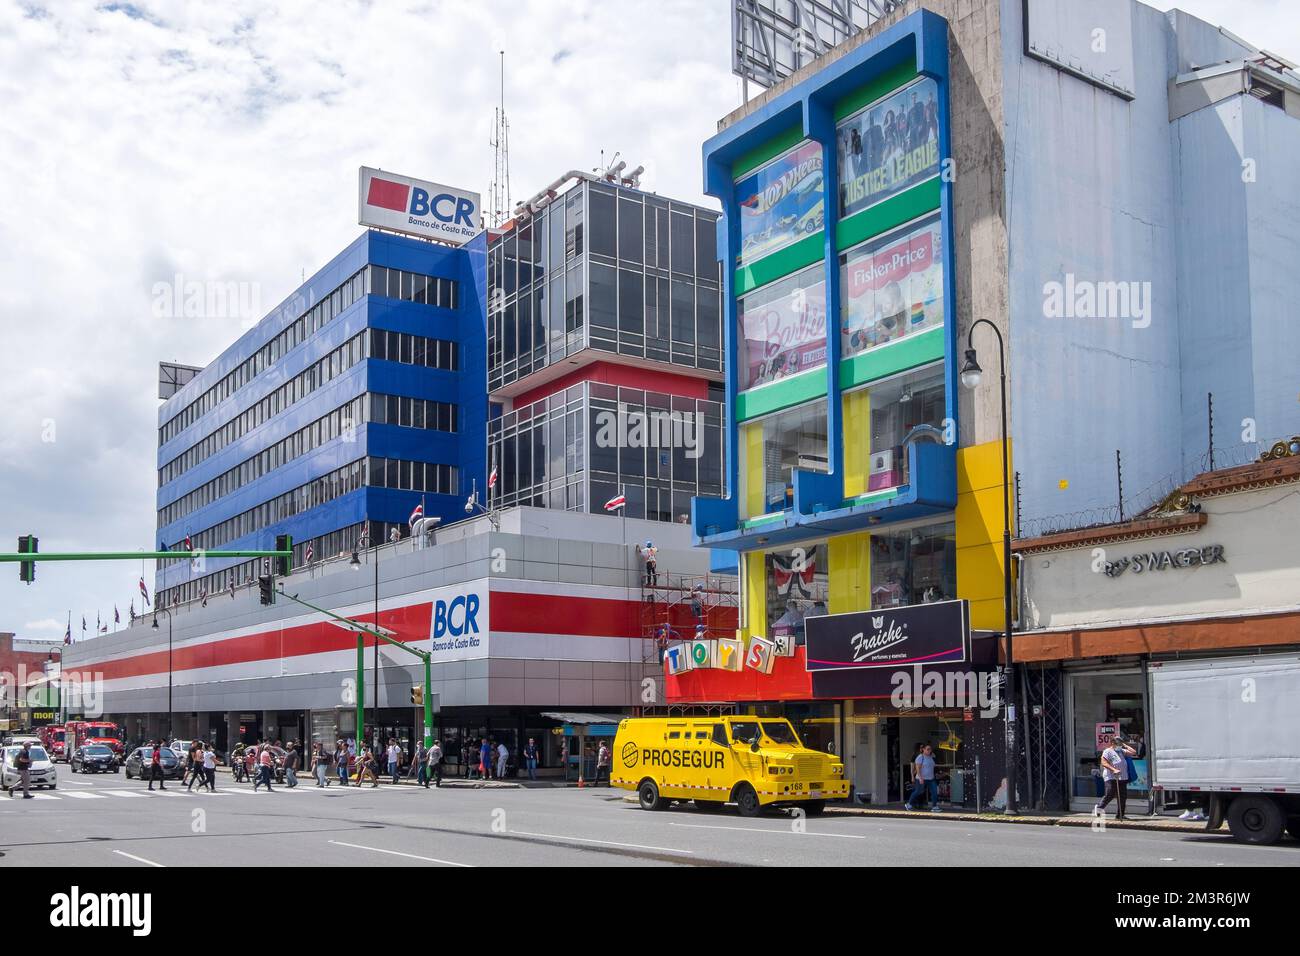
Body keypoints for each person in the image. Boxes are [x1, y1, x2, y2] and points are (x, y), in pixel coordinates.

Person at [1096, 734, 1135, 821]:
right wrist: (1113, 769)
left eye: (1120, 744)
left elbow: (1133, 752)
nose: (1119, 745)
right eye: (1118, 743)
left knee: (1122, 796)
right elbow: (1104, 762)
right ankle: (1099, 809)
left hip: (1122, 777)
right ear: (1112, 743)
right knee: (1110, 793)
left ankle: (1120, 815)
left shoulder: (1121, 751)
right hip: (1111, 776)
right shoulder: (1107, 751)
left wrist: (1124, 745)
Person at [905, 743, 939, 811]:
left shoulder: (931, 757)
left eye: (930, 749)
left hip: (931, 778)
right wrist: (920, 778)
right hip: (922, 778)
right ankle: (909, 804)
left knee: (934, 791)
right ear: (923, 750)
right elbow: (917, 768)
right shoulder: (920, 757)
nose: (929, 751)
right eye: (928, 749)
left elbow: (933, 765)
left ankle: (934, 806)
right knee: (919, 791)